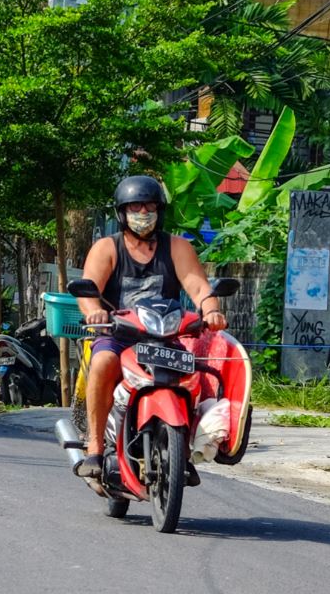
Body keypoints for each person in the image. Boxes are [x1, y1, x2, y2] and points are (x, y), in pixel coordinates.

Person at [74, 174, 228, 479]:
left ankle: (182, 448)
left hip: (165, 338)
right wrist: (94, 312)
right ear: (122, 212)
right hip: (117, 334)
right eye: (136, 207)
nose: (143, 213)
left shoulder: (177, 247)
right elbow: (89, 288)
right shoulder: (107, 248)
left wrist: (211, 310)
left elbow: (198, 287)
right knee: (103, 361)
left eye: (150, 207)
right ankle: (94, 446)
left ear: (160, 211)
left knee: (194, 377)